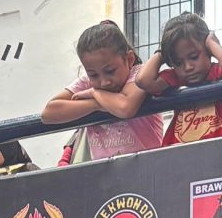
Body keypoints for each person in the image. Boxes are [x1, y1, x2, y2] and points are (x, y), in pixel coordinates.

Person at [40, 21, 161, 162]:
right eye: (93, 75)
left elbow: (125, 107)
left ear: (129, 59)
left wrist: (95, 93)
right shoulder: (87, 82)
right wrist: (95, 104)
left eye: (110, 71)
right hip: (105, 172)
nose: (104, 82)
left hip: (149, 167)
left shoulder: (139, 75)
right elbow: (48, 113)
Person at [130, 13, 222, 146]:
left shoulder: (218, 73)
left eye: (194, 57)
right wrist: (162, 53)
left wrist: (212, 43)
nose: (188, 67)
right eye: (178, 63)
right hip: (177, 153)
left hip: (217, 151)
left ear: (208, 51)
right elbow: (143, 81)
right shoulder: (176, 79)